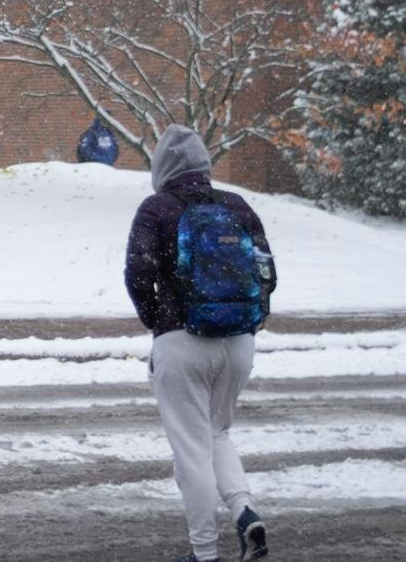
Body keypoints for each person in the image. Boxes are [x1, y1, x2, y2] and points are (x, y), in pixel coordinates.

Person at [125, 125, 276, 562]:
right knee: (218, 433)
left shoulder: (156, 209)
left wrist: (161, 323)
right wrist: (250, 321)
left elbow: (138, 276)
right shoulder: (238, 206)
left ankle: (204, 554)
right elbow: (268, 274)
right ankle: (245, 512)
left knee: (191, 449)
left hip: (182, 340)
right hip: (239, 342)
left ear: (162, 167)